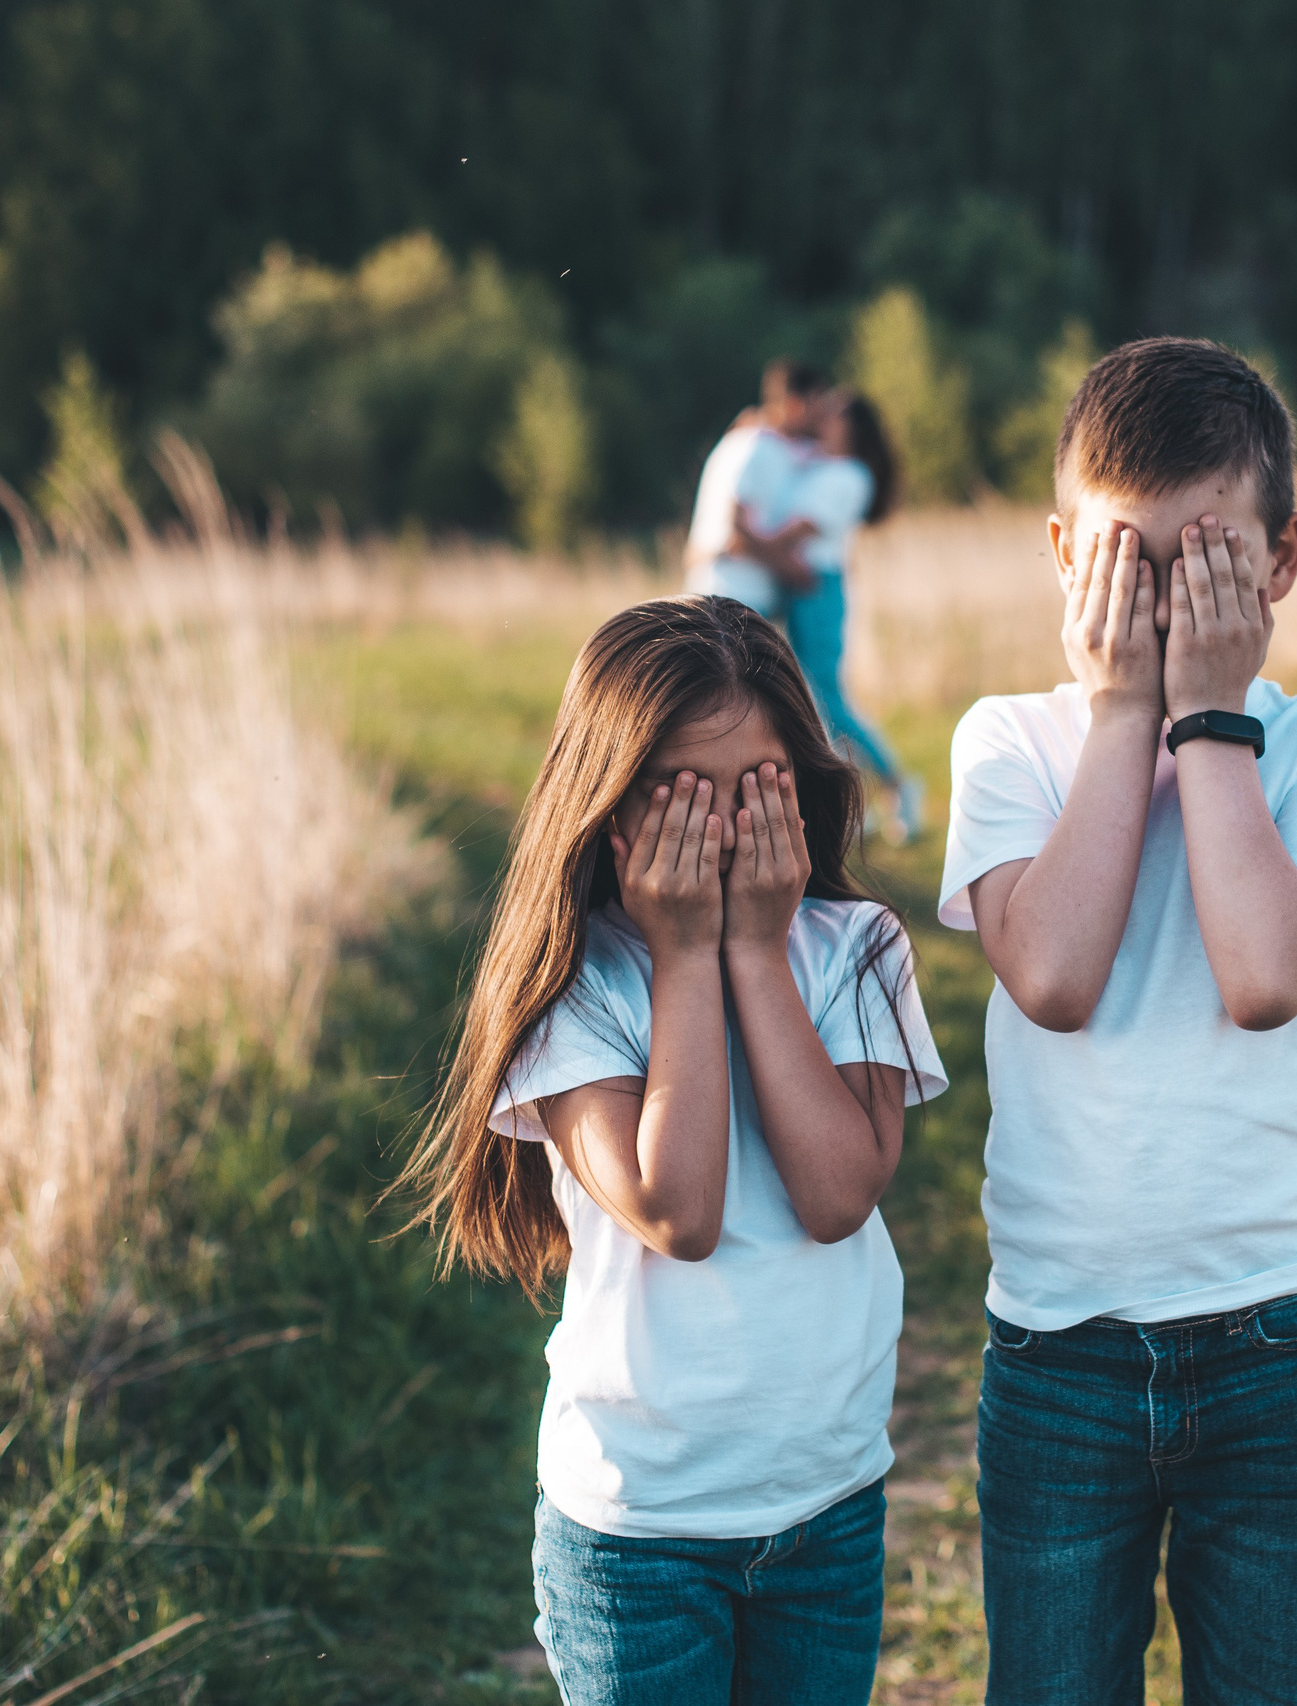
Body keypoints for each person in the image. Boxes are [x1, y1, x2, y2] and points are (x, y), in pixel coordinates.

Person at [936, 338, 1297, 1704]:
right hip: (1061, 1354)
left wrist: (1206, 715)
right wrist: (1125, 708)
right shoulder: (1006, 742)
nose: (1160, 602)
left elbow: (1263, 975)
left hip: (1281, 1338)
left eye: (1201, 564)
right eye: (1126, 566)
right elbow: (1056, 979)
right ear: (1062, 552)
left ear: (1282, 561)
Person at [398, 595, 946, 1705]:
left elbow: (839, 1190)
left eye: (756, 789)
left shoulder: (856, 950)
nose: (728, 829)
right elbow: (677, 1208)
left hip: (825, 1504)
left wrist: (757, 949)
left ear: (804, 780)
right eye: (687, 797)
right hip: (636, 1536)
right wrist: (690, 953)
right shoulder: (578, 989)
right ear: (611, 814)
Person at [777, 391, 927, 844]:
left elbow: (798, 528)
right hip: (804, 587)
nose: (822, 416)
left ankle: (899, 784)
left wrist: (744, 539)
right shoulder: (824, 465)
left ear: (854, 427)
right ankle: (859, 800)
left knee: (827, 700)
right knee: (816, 701)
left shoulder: (848, 475)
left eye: (835, 413)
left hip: (818, 588)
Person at [683, 360, 825, 618]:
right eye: (816, 403)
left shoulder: (740, 441)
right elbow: (735, 527)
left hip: (722, 590)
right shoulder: (758, 448)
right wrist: (790, 569)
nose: (821, 414)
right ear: (794, 405)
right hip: (734, 597)